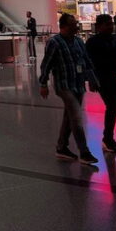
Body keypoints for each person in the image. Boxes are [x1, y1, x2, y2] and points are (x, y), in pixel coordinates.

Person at [39, 12, 100, 164]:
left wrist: (92, 78)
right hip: (64, 86)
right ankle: (84, 152)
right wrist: (43, 83)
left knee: (70, 116)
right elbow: (46, 64)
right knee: (77, 117)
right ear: (64, 26)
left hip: (78, 84)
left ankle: (61, 147)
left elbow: (86, 60)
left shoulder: (78, 41)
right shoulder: (54, 42)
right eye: (73, 25)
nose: (76, 27)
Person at [86, 14, 116, 152]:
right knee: (111, 106)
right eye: (107, 24)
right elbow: (87, 62)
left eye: (111, 24)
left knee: (113, 108)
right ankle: (107, 139)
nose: (110, 27)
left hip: (113, 77)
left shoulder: (113, 40)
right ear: (99, 26)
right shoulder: (92, 42)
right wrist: (91, 79)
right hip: (102, 78)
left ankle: (109, 138)